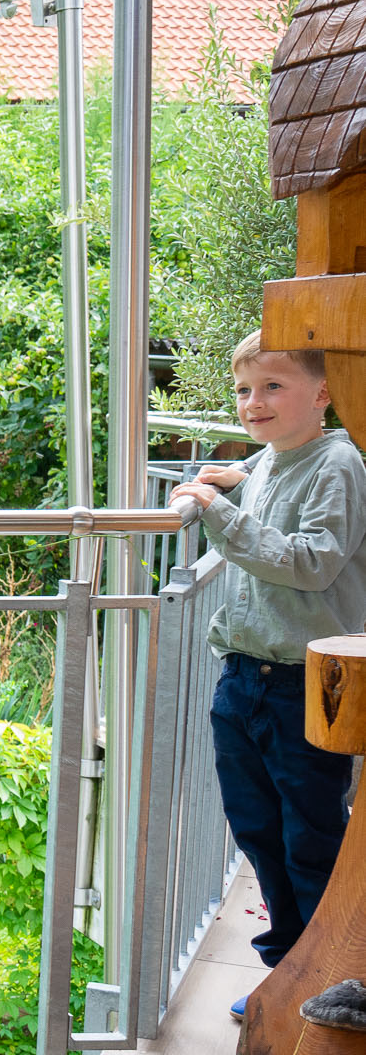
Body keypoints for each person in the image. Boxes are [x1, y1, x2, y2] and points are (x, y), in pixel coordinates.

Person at [170, 333, 366, 1019]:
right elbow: (262, 468)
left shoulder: (338, 463)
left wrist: (217, 511)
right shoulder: (277, 456)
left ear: (324, 394)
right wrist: (231, 480)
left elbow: (313, 561)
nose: (253, 402)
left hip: (302, 684)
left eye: (273, 387)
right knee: (257, 828)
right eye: (244, 389)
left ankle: (332, 973)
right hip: (244, 677)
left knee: (310, 836)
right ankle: (288, 972)